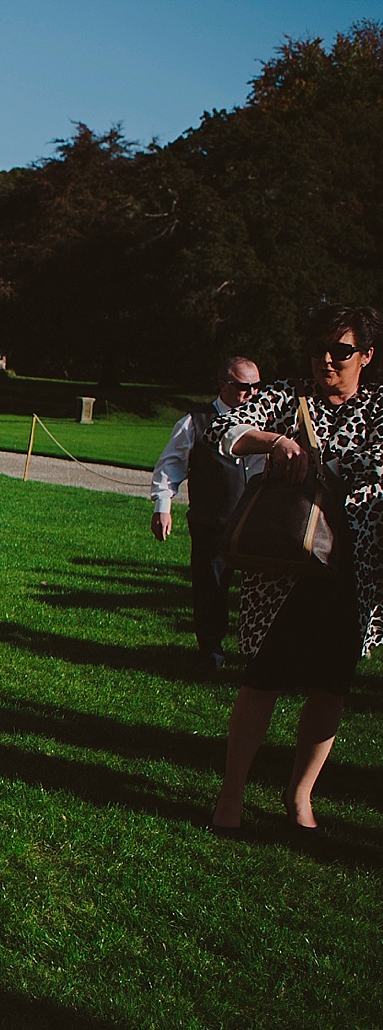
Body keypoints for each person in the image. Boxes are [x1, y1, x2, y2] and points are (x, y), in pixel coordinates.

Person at [207, 303, 383, 835]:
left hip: (353, 567)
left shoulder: (379, 408)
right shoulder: (288, 396)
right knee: (263, 679)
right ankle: (231, 795)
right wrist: (276, 440)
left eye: (342, 351)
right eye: (319, 349)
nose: (326, 360)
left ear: (367, 356)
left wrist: (330, 464)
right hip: (284, 566)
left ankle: (299, 795)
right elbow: (226, 430)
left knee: (331, 686)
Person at [149, 356, 265, 670]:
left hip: (257, 520)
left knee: (260, 592)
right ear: (223, 384)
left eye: (256, 386)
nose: (251, 393)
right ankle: (210, 654)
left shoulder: (266, 420)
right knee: (211, 590)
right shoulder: (195, 421)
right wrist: (163, 507)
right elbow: (170, 466)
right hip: (212, 520)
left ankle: (259, 655)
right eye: (243, 387)